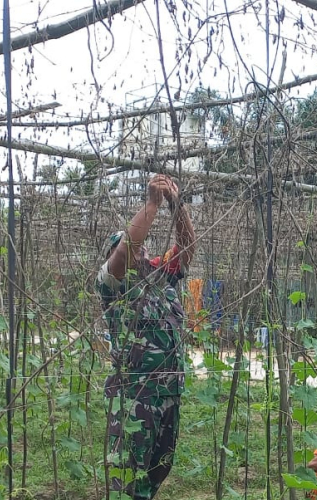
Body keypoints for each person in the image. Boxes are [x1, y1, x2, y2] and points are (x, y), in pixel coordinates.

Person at [96, 174, 196, 500]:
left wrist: (176, 206)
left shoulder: (161, 279)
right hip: (134, 398)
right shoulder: (113, 286)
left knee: (156, 472)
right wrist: (152, 204)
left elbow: (187, 249)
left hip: (169, 395)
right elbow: (126, 253)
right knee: (127, 478)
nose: (140, 254)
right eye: (132, 250)